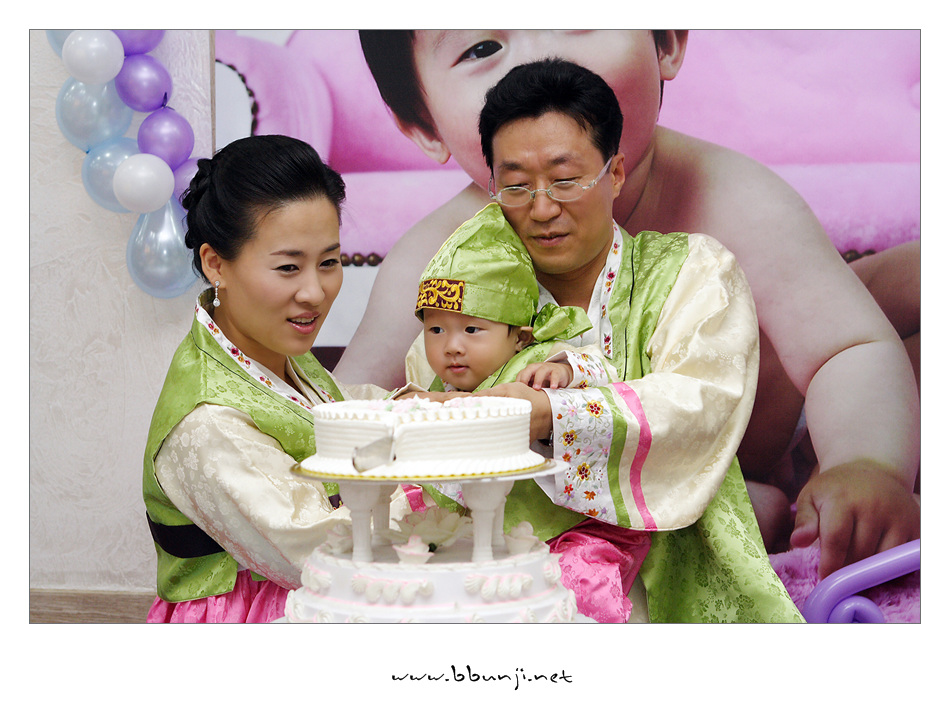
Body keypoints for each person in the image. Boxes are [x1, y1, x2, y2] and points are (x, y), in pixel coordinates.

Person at [339, 30, 920, 578]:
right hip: (594, 492)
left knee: (882, 297)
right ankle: (742, 500)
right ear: (424, 124)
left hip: (771, 409)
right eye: (482, 47)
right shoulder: (440, 257)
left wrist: (865, 463)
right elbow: (344, 405)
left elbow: (846, 347)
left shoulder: (738, 200)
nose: (543, 64)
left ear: (665, 41)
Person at [440, 57, 803, 622]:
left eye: (565, 180)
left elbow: (702, 400)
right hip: (504, 574)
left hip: (668, 569)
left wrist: (553, 414)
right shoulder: (475, 292)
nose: (542, 208)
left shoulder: (691, 270)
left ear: (614, 174)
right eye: (516, 186)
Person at [142, 135, 409, 623]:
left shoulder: (267, 350)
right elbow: (321, 555)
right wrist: (430, 483)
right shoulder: (208, 422)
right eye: (288, 267)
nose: (315, 292)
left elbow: (331, 410)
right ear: (216, 264)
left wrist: (429, 408)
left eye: (328, 262)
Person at [410, 201, 614, 394]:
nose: (452, 347)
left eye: (471, 329)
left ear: (521, 338)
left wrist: (567, 371)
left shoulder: (540, 359)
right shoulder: (436, 382)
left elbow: (606, 369)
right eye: (436, 330)